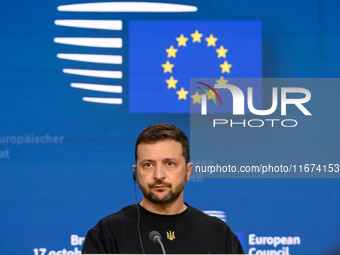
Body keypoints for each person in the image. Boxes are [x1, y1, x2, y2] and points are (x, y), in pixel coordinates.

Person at [82, 123, 244, 254]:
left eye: (170, 164)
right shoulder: (107, 233)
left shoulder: (218, 234)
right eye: (148, 165)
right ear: (136, 172)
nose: (159, 175)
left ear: (187, 171)